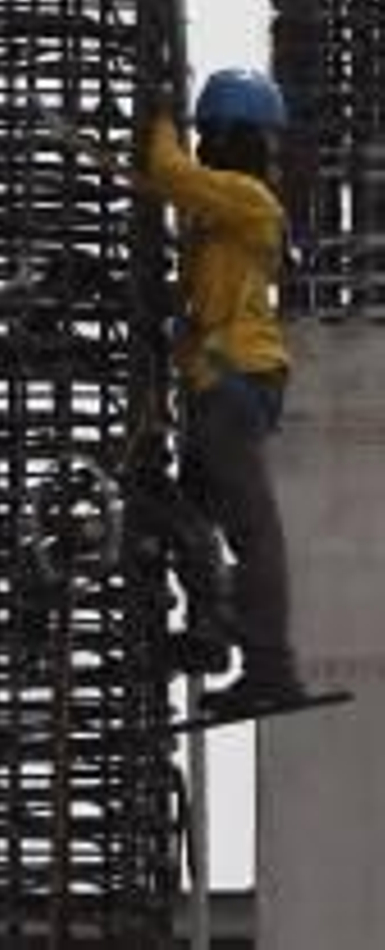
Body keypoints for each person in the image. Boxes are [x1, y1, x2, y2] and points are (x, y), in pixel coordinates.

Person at [143, 67, 311, 718]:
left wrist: (159, 117)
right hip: (218, 385)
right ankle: (211, 630)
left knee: (251, 530)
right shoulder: (219, 215)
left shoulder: (247, 197)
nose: (205, 146)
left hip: (235, 383)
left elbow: (167, 171)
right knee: (182, 512)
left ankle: (270, 667)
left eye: (210, 135)